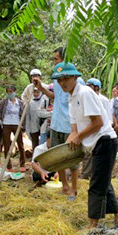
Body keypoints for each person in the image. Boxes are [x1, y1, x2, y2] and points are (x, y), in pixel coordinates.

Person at [55, 61, 118, 227]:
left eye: (66, 78)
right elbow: (74, 129)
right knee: (103, 180)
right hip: (94, 143)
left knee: (96, 183)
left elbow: (98, 122)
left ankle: (93, 223)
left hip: (105, 140)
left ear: (75, 77)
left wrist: (78, 136)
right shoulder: (71, 98)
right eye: (59, 79)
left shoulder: (85, 93)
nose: (62, 82)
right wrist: (70, 142)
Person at [34, 47, 76, 194]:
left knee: (72, 158)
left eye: (56, 59)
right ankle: (64, 185)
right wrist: (41, 88)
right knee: (58, 158)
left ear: (65, 60)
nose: (54, 62)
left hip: (70, 125)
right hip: (57, 124)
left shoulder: (77, 81)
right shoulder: (58, 80)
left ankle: (74, 187)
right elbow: (55, 97)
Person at [81, 78, 110, 179]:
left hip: (101, 132)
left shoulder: (104, 100)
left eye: (90, 86)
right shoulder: (86, 98)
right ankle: (85, 176)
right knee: (88, 155)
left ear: (96, 87)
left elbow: (107, 118)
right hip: (90, 130)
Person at [0, 85, 26, 172]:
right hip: (6, 124)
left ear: (15, 92)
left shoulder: (20, 103)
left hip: (17, 124)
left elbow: (23, 114)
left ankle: (22, 164)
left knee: (20, 145)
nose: (10, 93)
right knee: (6, 145)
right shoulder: (4, 102)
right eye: (8, 92)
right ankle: (8, 166)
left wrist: (22, 125)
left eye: (11, 92)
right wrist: (1, 121)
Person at [25, 87, 47, 154]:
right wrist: (27, 129)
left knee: (42, 144)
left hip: (43, 126)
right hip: (33, 127)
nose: (36, 94)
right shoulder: (30, 103)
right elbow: (28, 117)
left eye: (37, 92)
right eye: (34, 92)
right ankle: (34, 160)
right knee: (35, 144)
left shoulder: (44, 101)